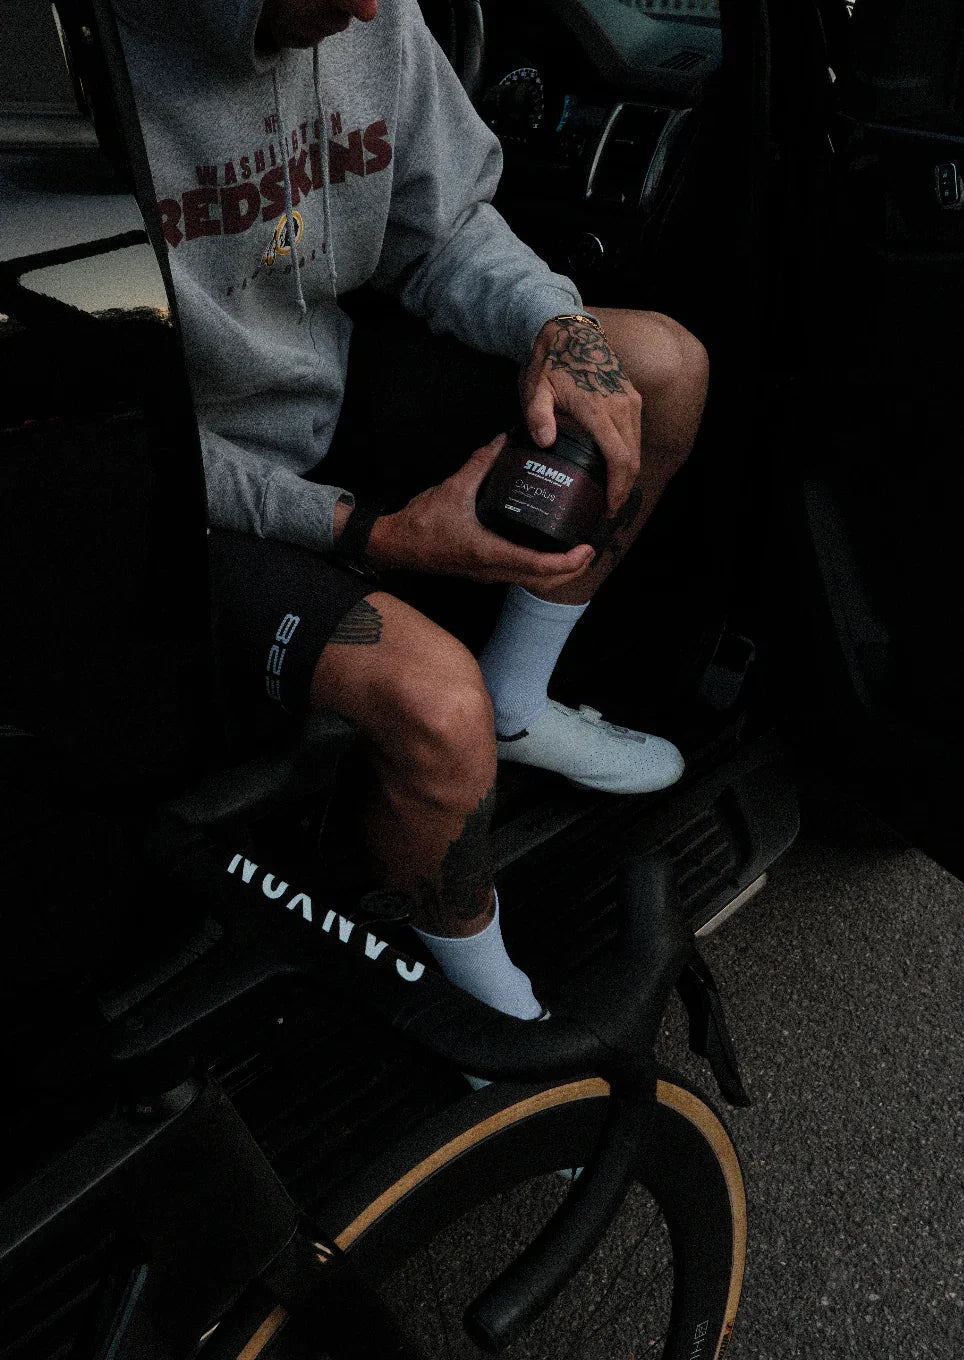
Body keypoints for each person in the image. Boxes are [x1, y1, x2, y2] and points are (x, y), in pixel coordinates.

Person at [113, 0, 709, 1024]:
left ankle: (518, 699)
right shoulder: (93, 71)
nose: (365, 4)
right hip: (172, 498)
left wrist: (554, 325)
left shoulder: (371, 18)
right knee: (437, 710)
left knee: (656, 368)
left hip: (324, 392)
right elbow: (108, 440)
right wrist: (365, 532)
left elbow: (445, 231)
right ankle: (468, 991)